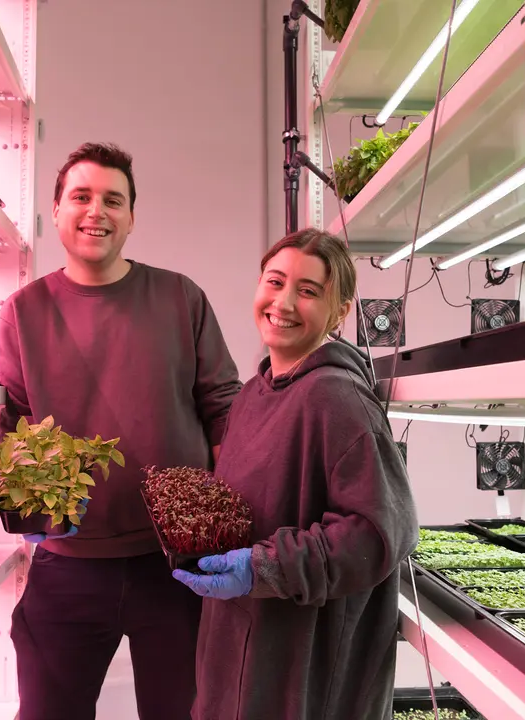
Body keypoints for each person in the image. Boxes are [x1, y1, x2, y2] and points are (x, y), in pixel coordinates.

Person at [0, 141, 243, 720]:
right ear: (55, 211)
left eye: (113, 200)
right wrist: (23, 511)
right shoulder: (22, 313)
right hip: (68, 563)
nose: (95, 212)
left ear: (132, 216)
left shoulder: (181, 298)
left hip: (179, 565)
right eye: (80, 197)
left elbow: (224, 408)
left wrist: (230, 519)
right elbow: (14, 424)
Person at [172, 228, 419, 720]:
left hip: (303, 669)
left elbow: (381, 531)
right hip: (240, 649)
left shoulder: (337, 397)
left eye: (308, 291)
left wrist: (261, 567)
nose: (283, 302)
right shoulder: (253, 393)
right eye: (275, 281)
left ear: (340, 310)